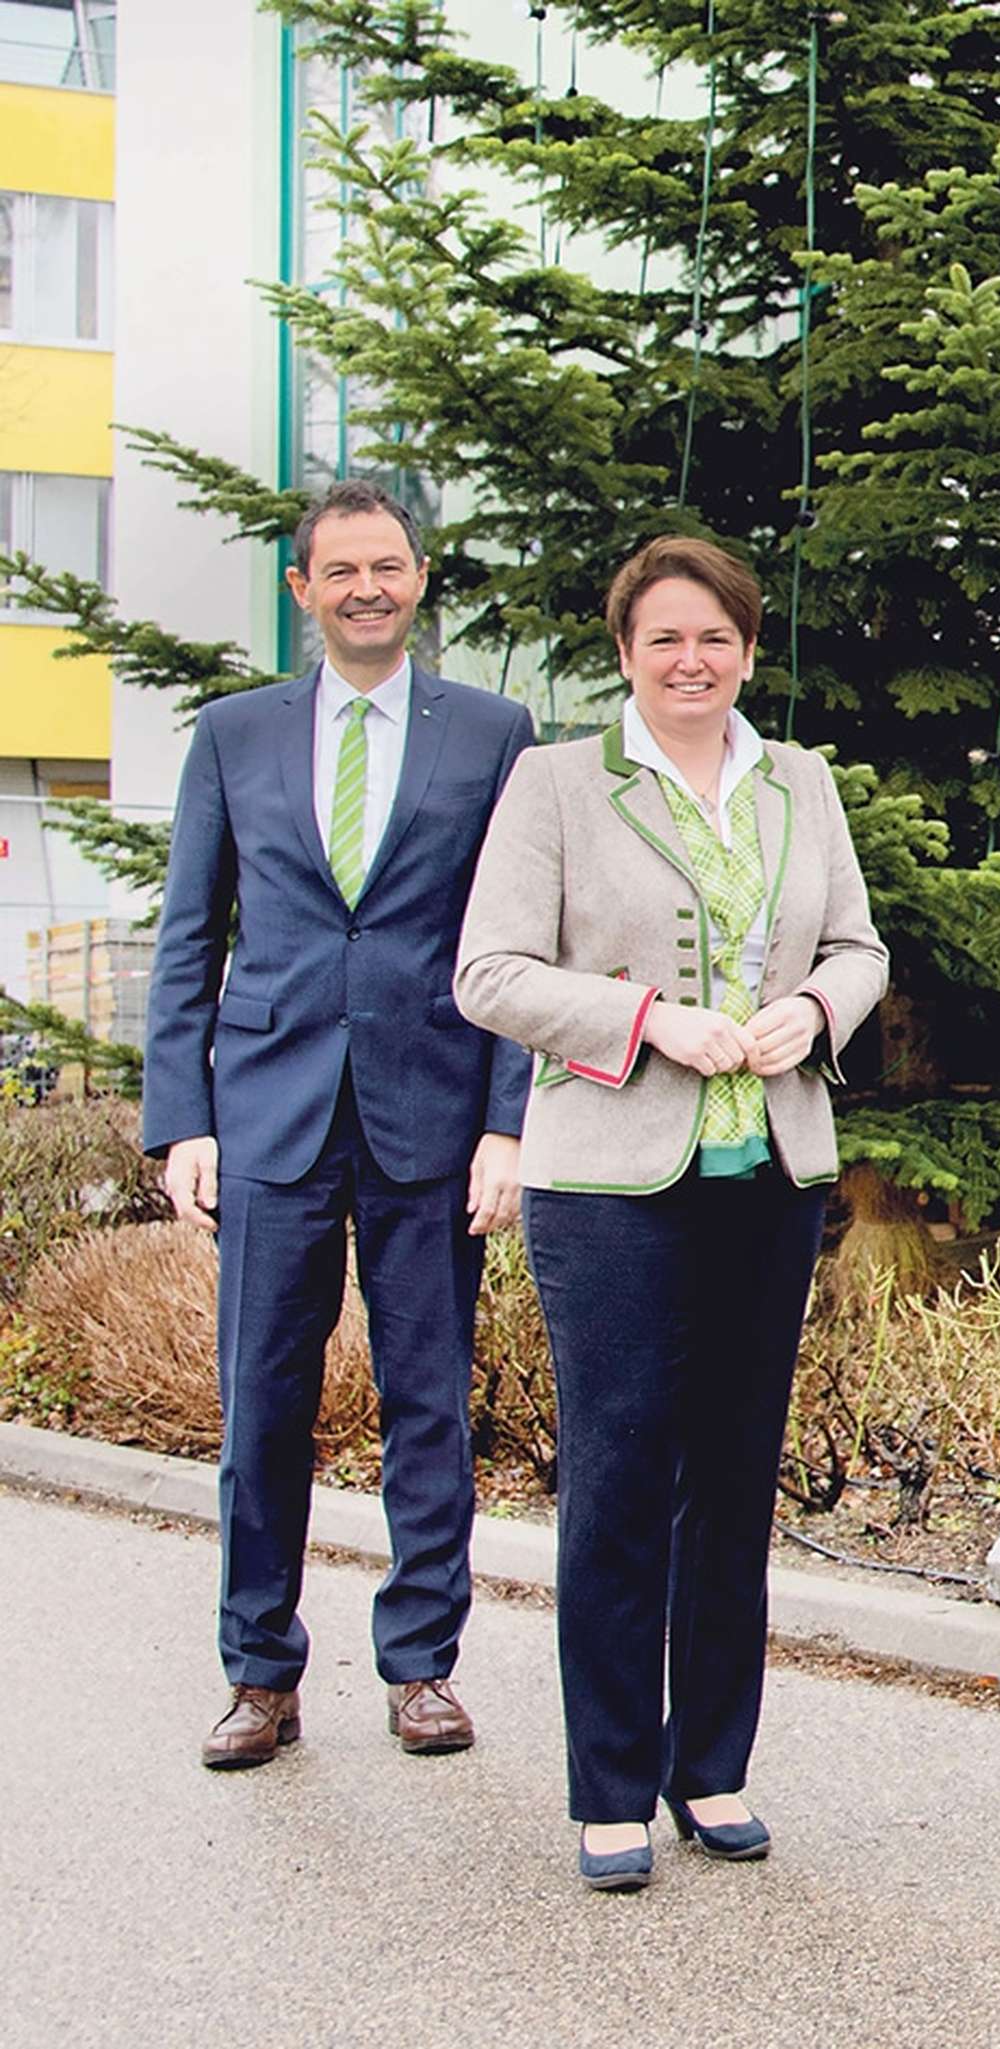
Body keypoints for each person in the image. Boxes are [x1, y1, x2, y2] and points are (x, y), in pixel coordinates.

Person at [453, 536, 886, 1890]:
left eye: (716, 637)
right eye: (664, 639)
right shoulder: (558, 785)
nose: (691, 660)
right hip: (607, 1187)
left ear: (749, 650)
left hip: (768, 1179)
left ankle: (712, 1762)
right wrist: (648, 1020)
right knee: (623, 1474)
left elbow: (859, 948)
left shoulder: (798, 782)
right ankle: (610, 1782)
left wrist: (813, 1011)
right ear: (625, 653)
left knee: (733, 1477)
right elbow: (489, 973)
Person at [144, 479, 535, 1772]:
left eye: (391, 565)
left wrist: (507, 1125)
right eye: (342, 569)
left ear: (422, 581)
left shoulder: (492, 732)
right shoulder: (234, 737)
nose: (369, 586)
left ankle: (422, 1663)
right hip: (268, 1118)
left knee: (429, 1404)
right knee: (263, 1403)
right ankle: (259, 1672)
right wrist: (181, 1120)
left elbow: (514, 943)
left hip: (431, 1119)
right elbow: (189, 941)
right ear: (301, 591)